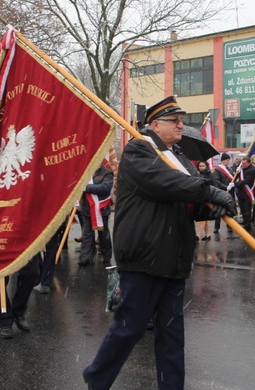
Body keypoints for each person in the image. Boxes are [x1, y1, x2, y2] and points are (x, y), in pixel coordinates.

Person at [82, 96, 235, 390]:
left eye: (181, 120)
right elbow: (164, 183)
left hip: (174, 256)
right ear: (154, 125)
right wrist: (208, 191)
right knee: (130, 326)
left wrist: (212, 207)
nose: (181, 124)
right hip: (144, 254)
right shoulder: (139, 150)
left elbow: (189, 201)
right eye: (174, 121)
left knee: (172, 334)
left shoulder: (178, 158)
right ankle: (98, 377)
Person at [0, 254, 41, 339]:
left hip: (25, 241)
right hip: (1, 243)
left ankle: (19, 310)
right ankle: (4, 319)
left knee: (32, 272)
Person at [78, 165, 114, 266]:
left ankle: (107, 257)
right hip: (86, 208)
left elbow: (105, 188)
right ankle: (85, 258)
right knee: (87, 234)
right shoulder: (85, 171)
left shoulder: (107, 173)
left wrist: (86, 187)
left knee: (103, 235)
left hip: (101, 210)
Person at [211, 153, 235, 233]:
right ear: (223, 160)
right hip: (221, 192)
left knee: (229, 209)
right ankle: (216, 227)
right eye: (227, 160)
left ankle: (230, 226)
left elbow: (232, 179)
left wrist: (233, 184)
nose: (228, 162)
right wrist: (225, 187)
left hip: (230, 192)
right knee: (219, 209)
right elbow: (216, 181)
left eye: (229, 160)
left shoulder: (230, 169)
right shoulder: (218, 169)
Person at [234, 156, 255, 232]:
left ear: (249, 163)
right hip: (240, 191)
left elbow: (247, 181)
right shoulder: (240, 169)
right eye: (242, 163)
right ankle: (244, 221)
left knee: (247, 209)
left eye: (245, 164)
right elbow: (235, 177)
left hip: (248, 192)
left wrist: (236, 184)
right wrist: (236, 172)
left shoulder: (252, 170)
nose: (243, 165)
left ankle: (248, 225)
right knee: (242, 208)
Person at [195, 161, 213, 241]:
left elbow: (213, 185)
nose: (201, 167)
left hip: (206, 198)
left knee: (202, 217)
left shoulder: (209, 175)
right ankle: (208, 234)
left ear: (206, 166)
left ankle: (198, 235)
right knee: (204, 217)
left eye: (203, 166)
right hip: (199, 197)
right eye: (200, 166)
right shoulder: (197, 174)